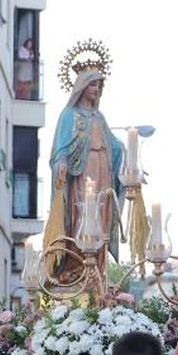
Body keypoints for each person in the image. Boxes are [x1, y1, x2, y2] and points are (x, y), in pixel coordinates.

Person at [45, 67, 124, 253]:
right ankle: (76, 261)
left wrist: (128, 159)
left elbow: (113, 145)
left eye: (99, 85)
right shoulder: (69, 115)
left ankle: (99, 263)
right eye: (93, 84)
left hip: (103, 169)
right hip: (83, 172)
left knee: (102, 210)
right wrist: (62, 162)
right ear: (82, 86)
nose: (97, 89)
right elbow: (61, 147)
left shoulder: (99, 116)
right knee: (82, 212)